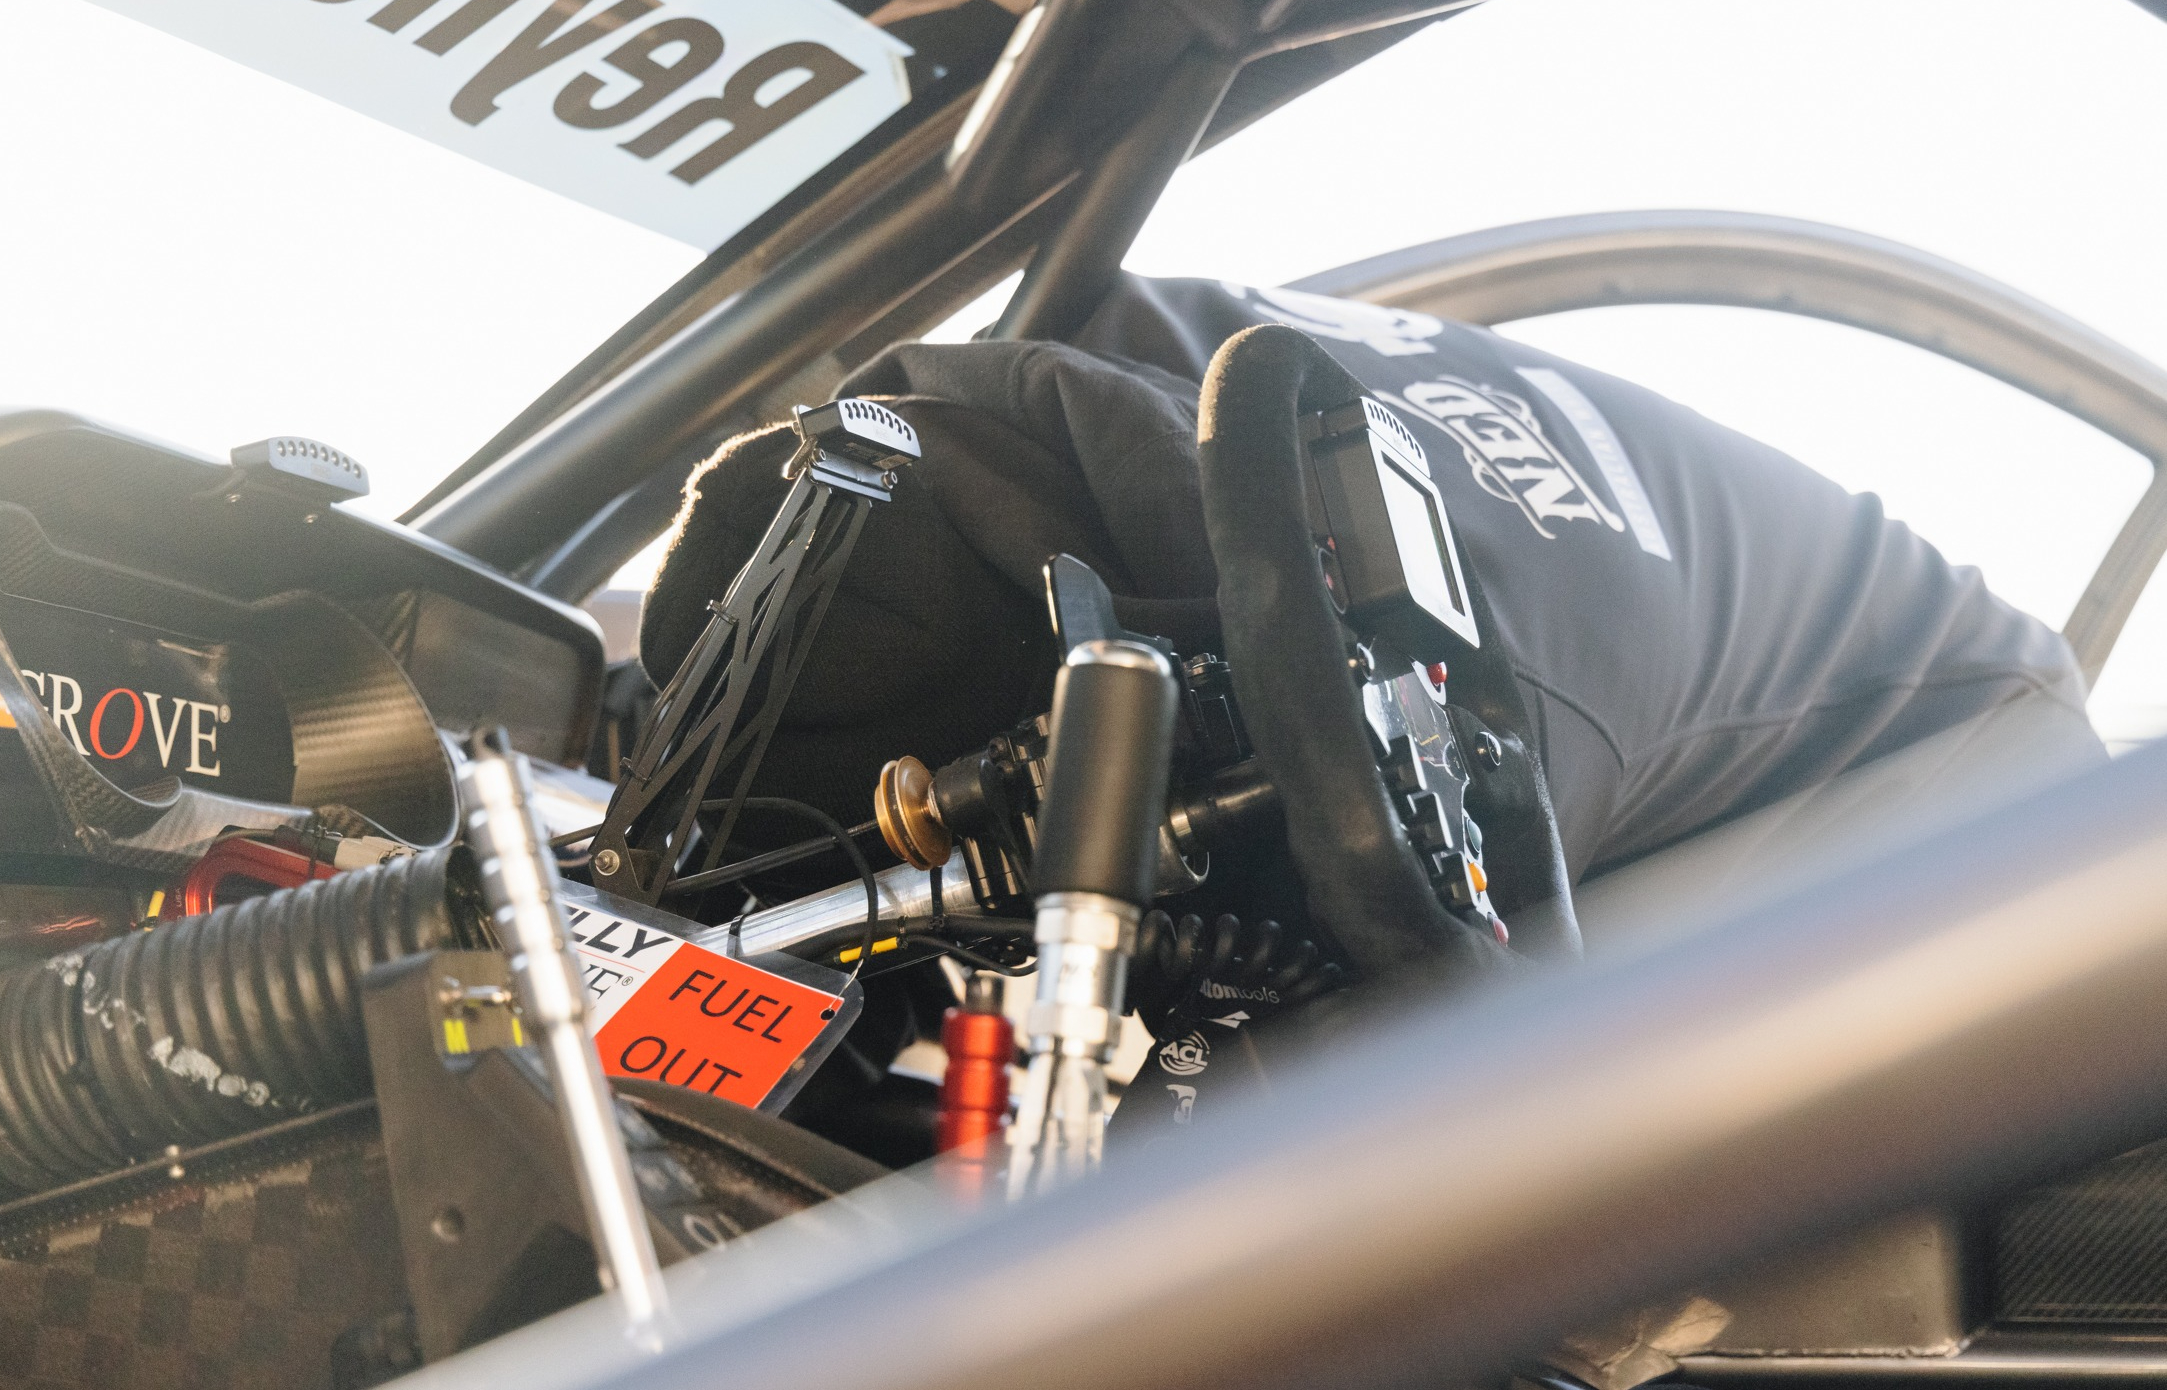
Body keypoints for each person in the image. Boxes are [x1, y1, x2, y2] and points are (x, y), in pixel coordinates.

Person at [638, 271, 2101, 1125]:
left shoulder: (1487, 701)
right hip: (1616, 609)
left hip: (1972, 753)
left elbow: (1449, 1002)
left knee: (1548, 1170)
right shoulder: (1078, 387)